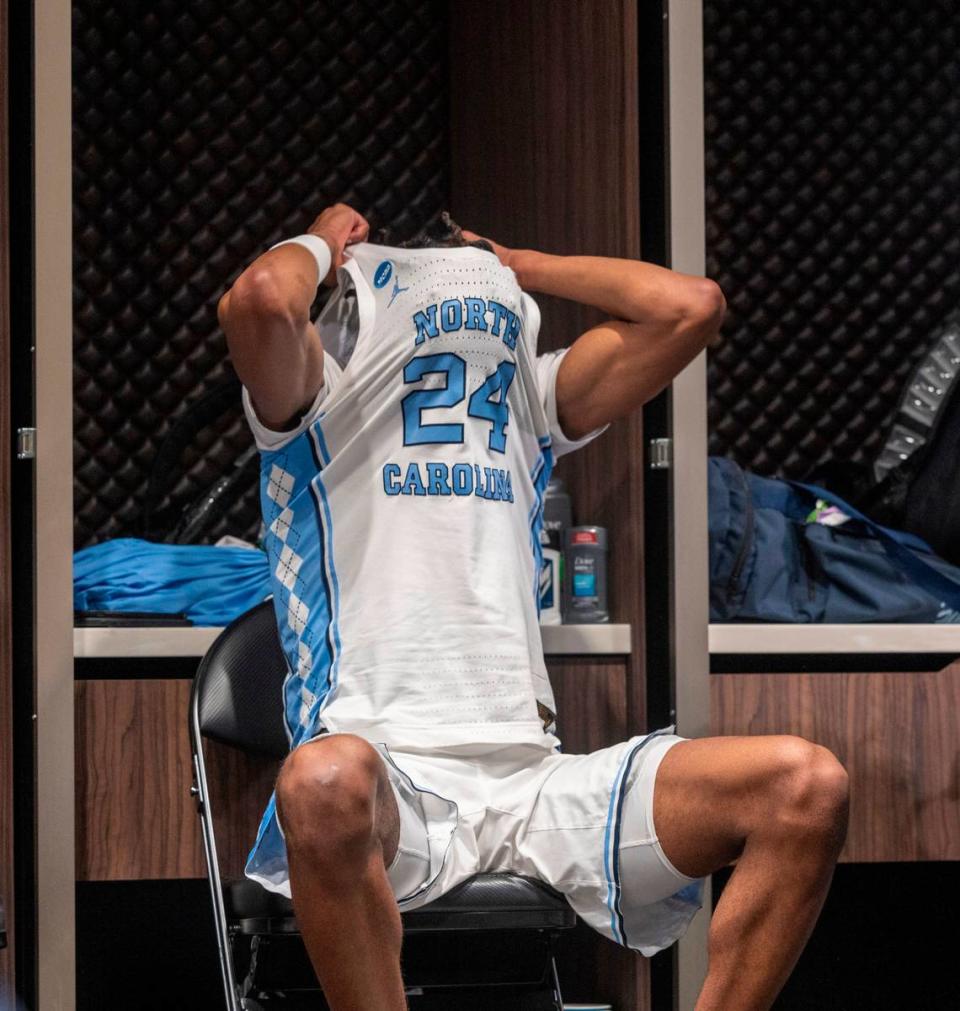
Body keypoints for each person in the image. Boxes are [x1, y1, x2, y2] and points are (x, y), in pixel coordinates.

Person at [217, 202, 849, 1011]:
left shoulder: (532, 407)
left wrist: (518, 261)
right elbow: (263, 298)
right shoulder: (311, 394)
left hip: (532, 782)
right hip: (391, 789)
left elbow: (690, 306)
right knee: (320, 778)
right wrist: (325, 236)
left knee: (805, 784)